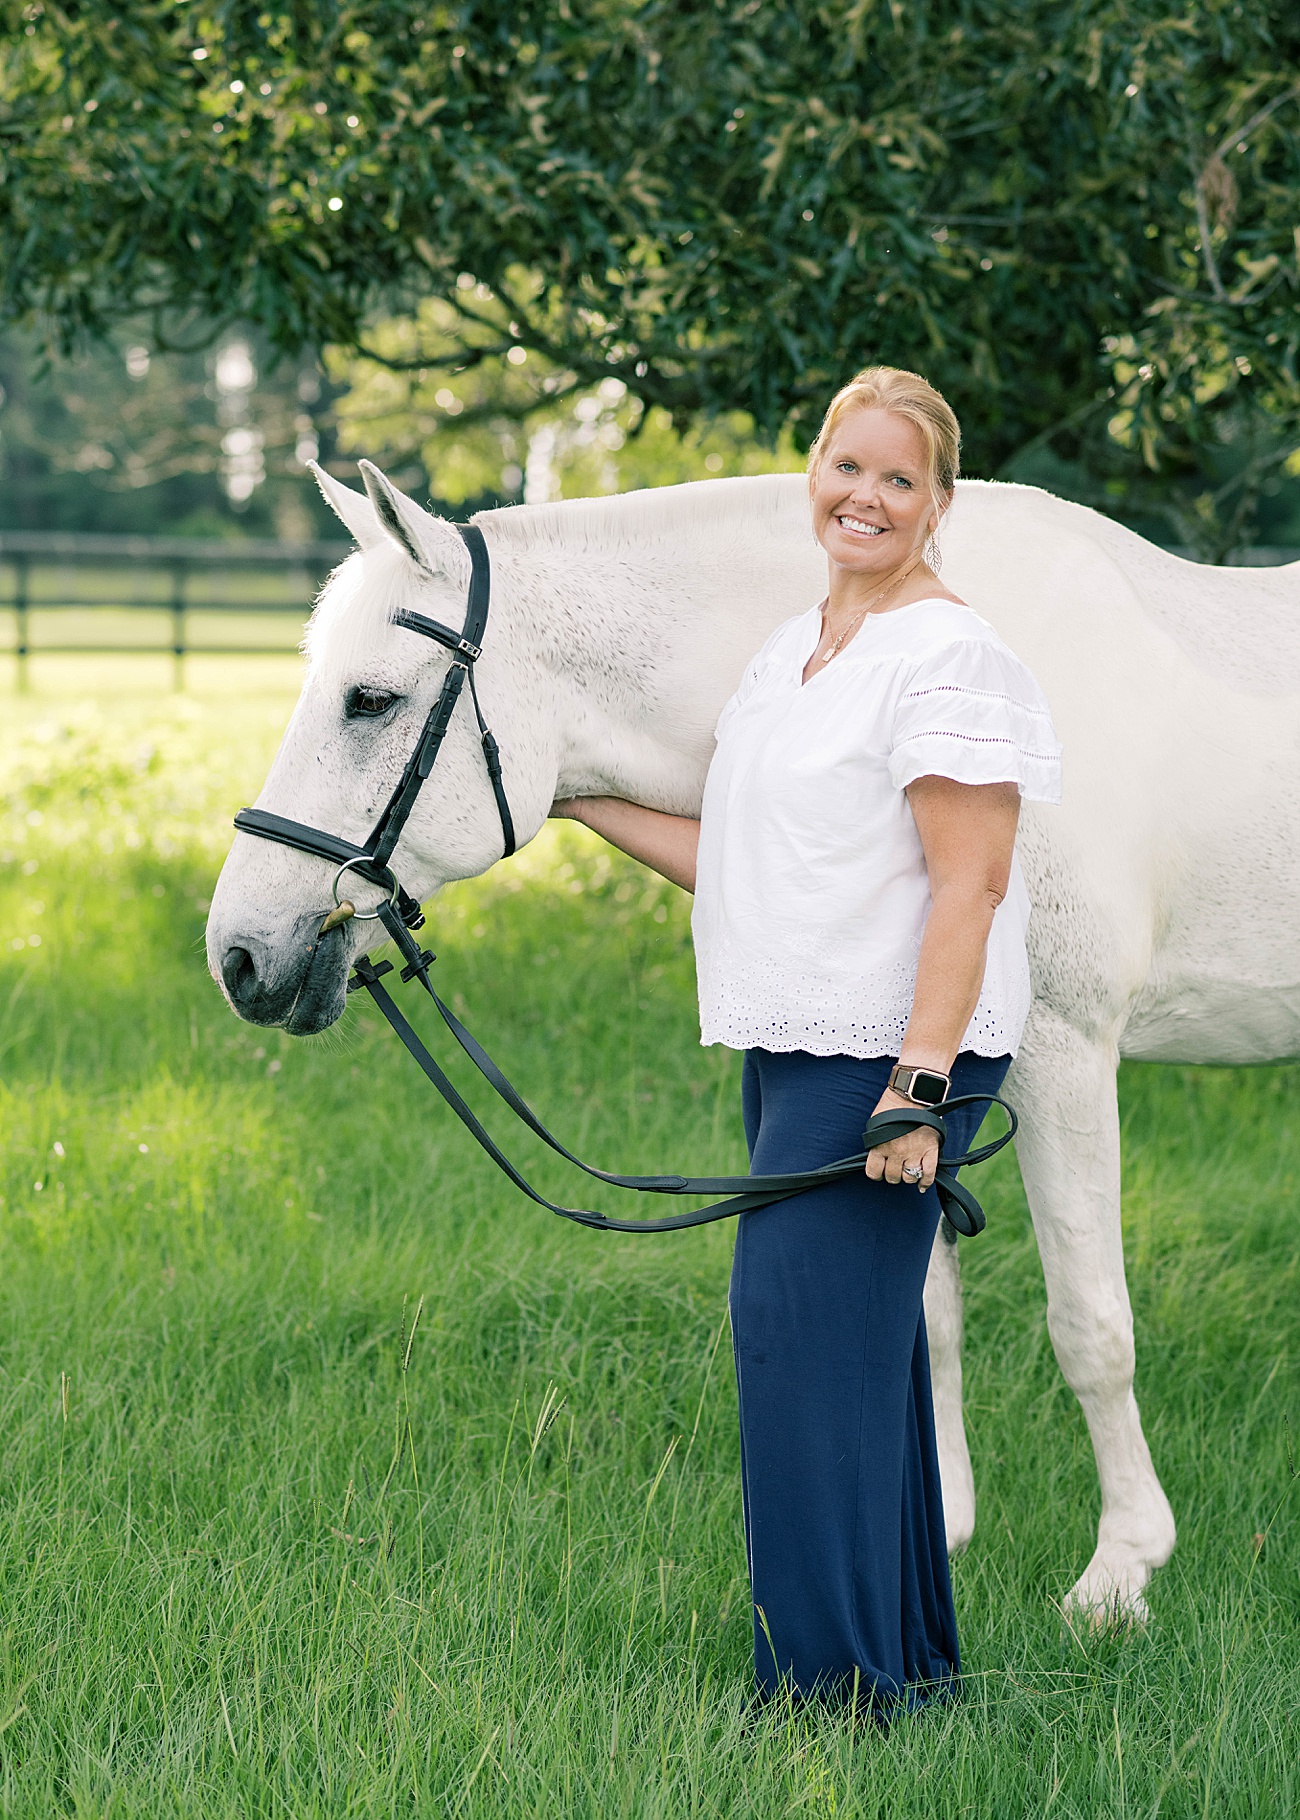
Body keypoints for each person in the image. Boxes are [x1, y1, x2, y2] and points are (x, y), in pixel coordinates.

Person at [551, 366, 1062, 1716]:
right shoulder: (795, 653)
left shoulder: (950, 657)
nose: (867, 498)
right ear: (814, 476)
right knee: (857, 1371)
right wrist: (574, 796)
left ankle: (826, 1696)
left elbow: (972, 885)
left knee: (792, 1361)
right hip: (797, 1043)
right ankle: (907, 1672)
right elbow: (744, 861)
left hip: (889, 1058)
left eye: (901, 480)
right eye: (850, 468)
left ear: (938, 505)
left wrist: (918, 1086)